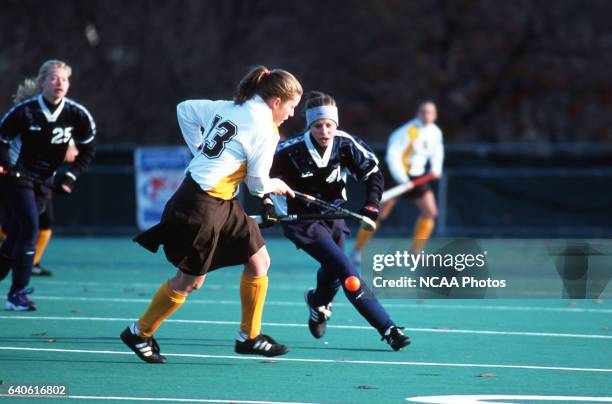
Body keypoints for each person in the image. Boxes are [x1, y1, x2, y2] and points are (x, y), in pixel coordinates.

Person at [120, 65, 302, 363]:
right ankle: (139, 332)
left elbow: (185, 109)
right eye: (292, 107)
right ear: (276, 102)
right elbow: (257, 184)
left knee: (259, 260)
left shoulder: (230, 107)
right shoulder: (265, 129)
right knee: (189, 282)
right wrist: (277, 185)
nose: (292, 114)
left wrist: (200, 149)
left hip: (221, 201)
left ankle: (250, 337)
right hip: (199, 206)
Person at [268, 91, 410, 351]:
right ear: (309, 126)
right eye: (318, 125)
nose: (324, 131)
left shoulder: (345, 144)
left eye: (329, 125)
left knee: (333, 271)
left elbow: (373, 174)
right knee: (348, 273)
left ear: (336, 124)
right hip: (302, 221)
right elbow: (262, 180)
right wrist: (268, 204)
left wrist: (371, 206)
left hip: (334, 215)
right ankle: (388, 329)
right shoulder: (289, 152)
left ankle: (318, 304)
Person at [0, 60, 96, 310]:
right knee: (30, 229)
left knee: (15, 236)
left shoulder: (76, 113)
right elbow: (1, 140)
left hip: (45, 180)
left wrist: (71, 176)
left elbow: (87, 149)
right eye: (53, 78)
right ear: (41, 82)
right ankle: (17, 295)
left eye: (63, 79)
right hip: (17, 178)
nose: (59, 83)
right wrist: (7, 168)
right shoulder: (24, 112)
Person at [0, 81, 81, 276]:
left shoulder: (60, 122)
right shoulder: (21, 118)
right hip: (19, 179)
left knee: (26, 226)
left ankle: (26, 265)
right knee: (26, 226)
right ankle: (19, 285)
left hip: (42, 181)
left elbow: (73, 154)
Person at [350, 101, 444, 264]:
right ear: (418, 113)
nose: (427, 115)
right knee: (378, 214)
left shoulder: (436, 132)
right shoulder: (407, 131)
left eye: (430, 112)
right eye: (424, 112)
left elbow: (437, 151)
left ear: (435, 115)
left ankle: (415, 252)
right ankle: (357, 250)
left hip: (418, 176)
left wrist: (436, 168)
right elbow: (393, 156)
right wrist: (402, 179)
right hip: (396, 175)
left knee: (430, 212)